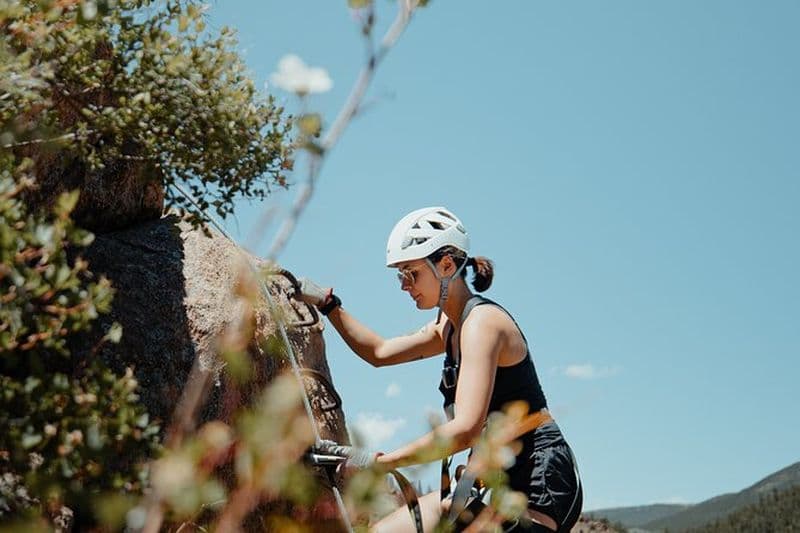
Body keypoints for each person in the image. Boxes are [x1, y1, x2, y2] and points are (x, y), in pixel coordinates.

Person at [298, 207, 582, 532]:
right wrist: (329, 306)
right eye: (400, 275)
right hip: (502, 475)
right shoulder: (447, 327)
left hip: (537, 477)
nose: (404, 285)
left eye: (412, 273)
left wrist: (382, 463)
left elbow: (465, 429)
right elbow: (379, 352)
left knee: (440, 511)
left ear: (446, 264)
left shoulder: (482, 324)